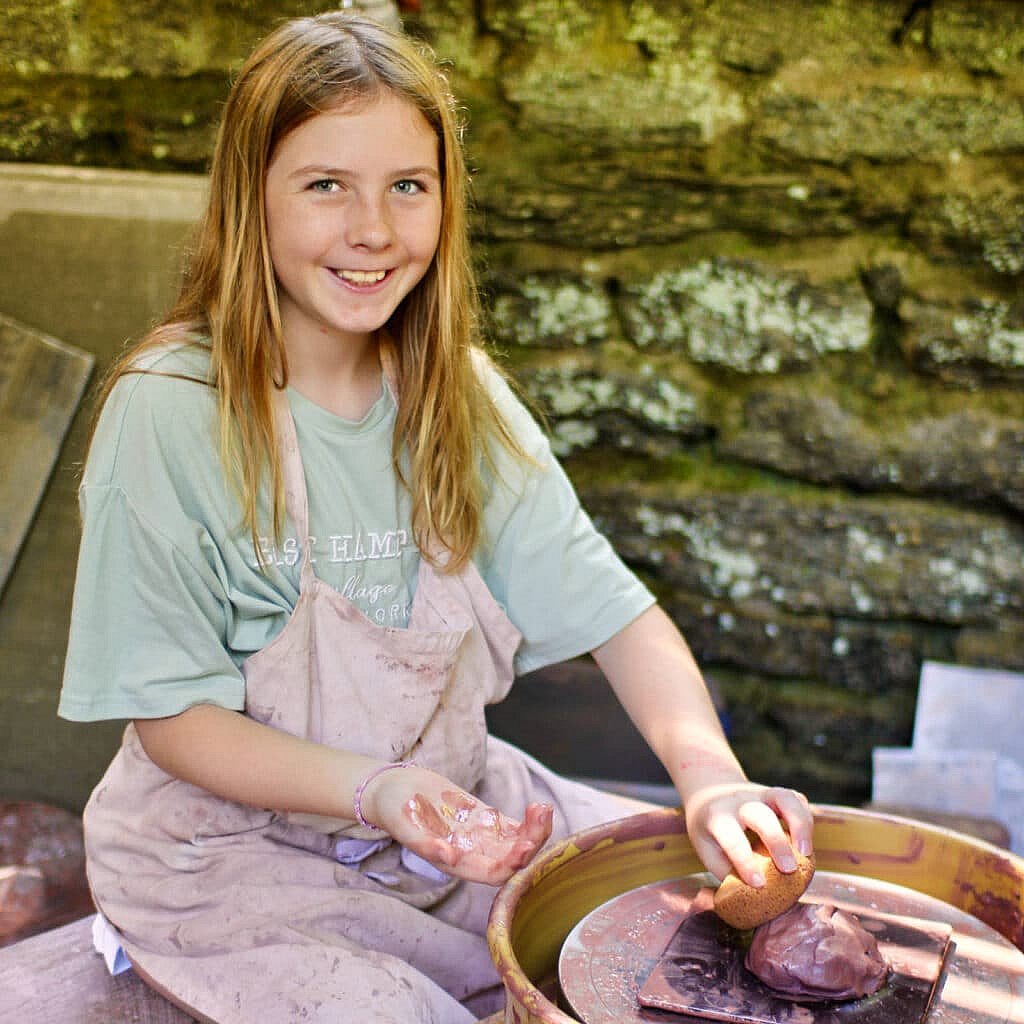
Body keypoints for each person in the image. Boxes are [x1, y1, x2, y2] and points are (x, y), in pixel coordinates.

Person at [58, 11, 814, 1023]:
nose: (372, 228)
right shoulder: (173, 411)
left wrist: (712, 780)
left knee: (664, 920)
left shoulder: (455, 394)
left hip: (455, 824)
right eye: (326, 184)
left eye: (407, 186)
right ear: (252, 198)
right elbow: (172, 717)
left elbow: (616, 617)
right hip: (231, 864)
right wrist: (378, 790)